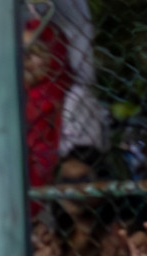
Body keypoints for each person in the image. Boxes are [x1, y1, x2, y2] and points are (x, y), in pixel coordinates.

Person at [23, 18, 107, 188]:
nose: (26, 61)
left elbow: (82, 164)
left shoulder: (75, 98)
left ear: (56, 53)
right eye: (22, 54)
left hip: (61, 197)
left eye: (36, 51)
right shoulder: (18, 100)